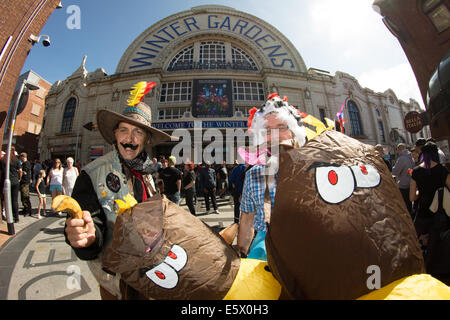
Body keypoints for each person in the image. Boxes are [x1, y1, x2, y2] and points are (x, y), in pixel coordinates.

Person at [63, 81, 171, 300]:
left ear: (146, 139)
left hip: (152, 274)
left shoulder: (149, 171)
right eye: (124, 130)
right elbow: (92, 227)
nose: (129, 140)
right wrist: (86, 237)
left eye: (137, 133)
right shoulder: (91, 174)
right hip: (117, 282)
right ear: (114, 134)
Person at [237, 93, 307, 258]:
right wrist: (241, 254)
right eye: (268, 130)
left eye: (281, 127)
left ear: (294, 132)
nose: (274, 136)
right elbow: (247, 221)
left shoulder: (313, 171)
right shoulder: (253, 175)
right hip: (264, 255)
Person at [410, 141, 450, 282]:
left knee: (415, 241)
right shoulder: (442, 170)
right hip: (439, 213)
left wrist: (421, 191)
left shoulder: (416, 171)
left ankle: (420, 269)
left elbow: (412, 197)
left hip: (422, 212)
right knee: (436, 243)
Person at [392, 143, 415, 216]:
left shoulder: (401, 159)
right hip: (411, 183)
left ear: (399, 149)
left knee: (405, 204)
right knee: (410, 203)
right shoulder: (411, 157)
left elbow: (395, 172)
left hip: (403, 184)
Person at [3, 147, 21, 222]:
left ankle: (9, 215)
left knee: (7, 199)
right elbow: (20, 170)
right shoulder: (16, 160)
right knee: (15, 200)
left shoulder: (3, 160)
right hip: (15, 181)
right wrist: (19, 178)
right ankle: (16, 217)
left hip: (7, 181)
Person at [19, 152, 32, 216]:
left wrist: (19, 171)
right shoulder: (24, 163)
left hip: (25, 182)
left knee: (25, 196)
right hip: (23, 182)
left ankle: (28, 210)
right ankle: (25, 209)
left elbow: (25, 172)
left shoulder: (27, 163)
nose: (20, 158)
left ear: (23, 157)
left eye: (21, 157)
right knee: (23, 197)